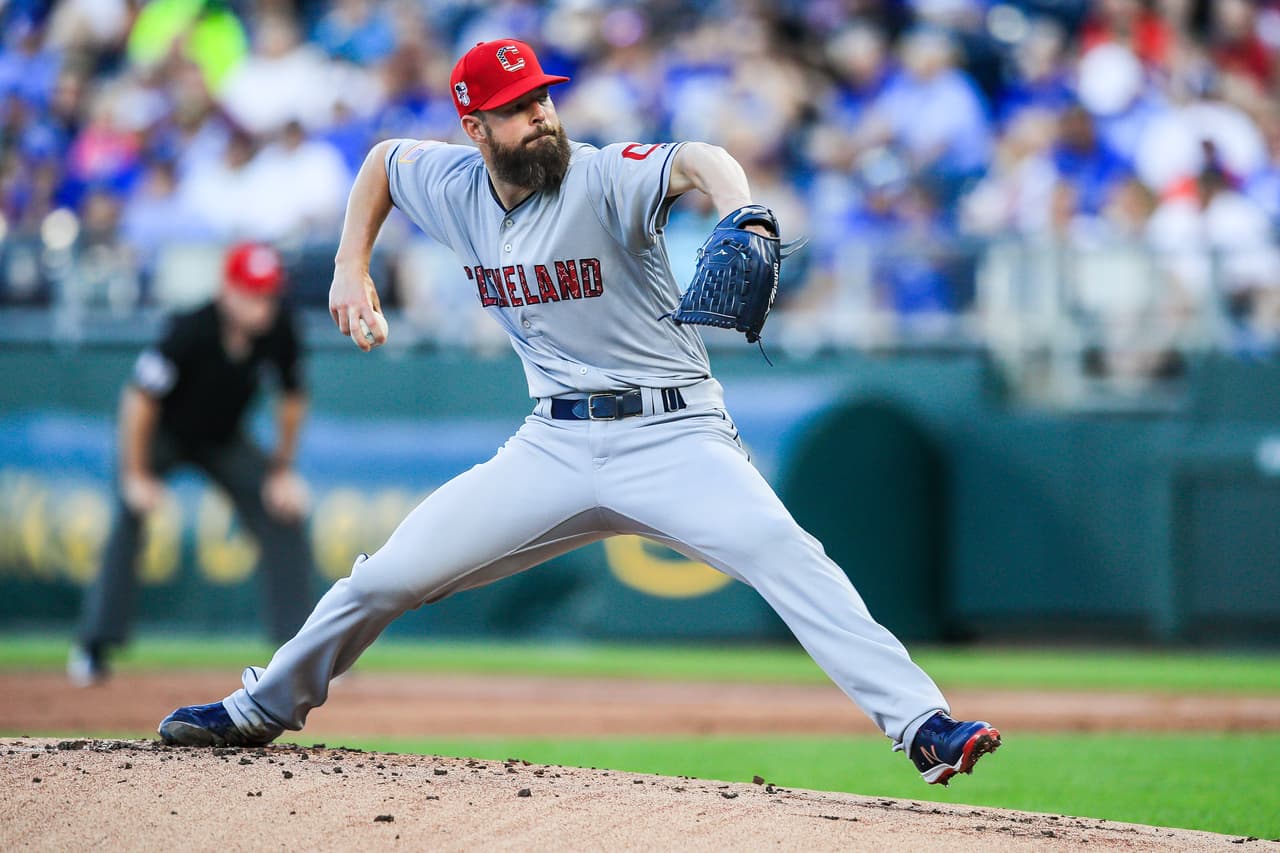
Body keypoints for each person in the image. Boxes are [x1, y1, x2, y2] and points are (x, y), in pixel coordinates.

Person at [158, 39, 1000, 786]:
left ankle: (923, 725)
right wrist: (352, 264)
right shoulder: (454, 185)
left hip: (672, 433)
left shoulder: (599, 174)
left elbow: (697, 159)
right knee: (385, 576)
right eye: (516, 110)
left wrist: (741, 209)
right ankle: (260, 707)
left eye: (542, 98)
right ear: (475, 131)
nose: (540, 117)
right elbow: (381, 160)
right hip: (551, 445)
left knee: (790, 555)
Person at [69, 242, 315, 685]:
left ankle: (301, 652)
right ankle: (93, 646)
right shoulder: (191, 328)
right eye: (252, 293)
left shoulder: (280, 329)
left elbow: (293, 397)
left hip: (223, 439)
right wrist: (136, 475)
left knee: (284, 514)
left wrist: (281, 470)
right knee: (129, 516)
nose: (263, 306)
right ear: (228, 290)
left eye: (269, 294)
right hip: (163, 434)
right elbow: (138, 400)